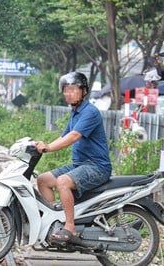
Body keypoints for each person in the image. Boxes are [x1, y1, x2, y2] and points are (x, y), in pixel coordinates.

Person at [34, 71, 112, 243]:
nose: (68, 94)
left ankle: (69, 227)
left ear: (83, 90)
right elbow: (64, 136)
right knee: (43, 180)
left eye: (72, 89)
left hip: (97, 166)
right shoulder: (75, 112)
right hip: (80, 164)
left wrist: (48, 148)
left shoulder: (90, 112)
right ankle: (56, 220)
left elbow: (74, 136)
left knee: (62, 181)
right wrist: (41, 145)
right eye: (65, 90)